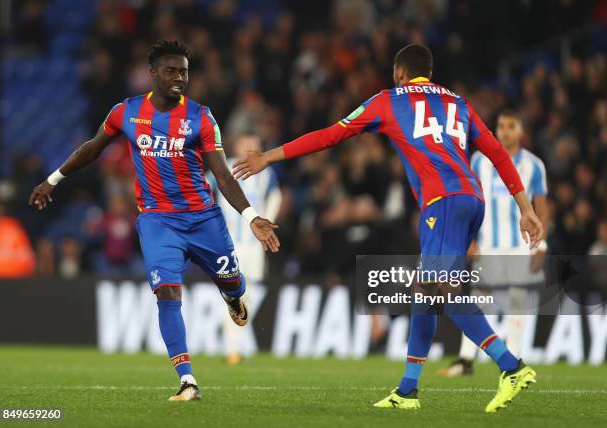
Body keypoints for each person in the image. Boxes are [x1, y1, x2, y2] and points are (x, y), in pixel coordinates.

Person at [232, 44, 543, 413]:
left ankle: (511, 366)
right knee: (425, 292)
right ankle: (408, 390)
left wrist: (270, 155)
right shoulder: (458, 102)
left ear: (399, 73)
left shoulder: (389, 99)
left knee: (439, 290)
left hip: (441, 201)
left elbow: (331, 135)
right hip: (472, 199)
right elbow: (495, 151)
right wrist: (526, 207)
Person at [29, 40, 280, 401]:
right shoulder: (126, 112)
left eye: (185, 72)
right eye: (172, 70)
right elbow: (93, 147)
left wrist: (252, 217)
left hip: (202, 218)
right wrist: (53, 179)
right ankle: (187, 379)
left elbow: (223, 176)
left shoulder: (201, 117)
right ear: (153, 74)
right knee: (166, 290)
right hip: (157, 220)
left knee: (232, 281)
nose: (180, 77)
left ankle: (233, 295)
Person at [438, 110, 549, 377]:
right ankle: (465, 360)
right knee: (477, 300)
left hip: (518, 245)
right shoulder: (479, 162)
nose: (505, 131)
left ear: (521, 131)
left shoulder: (534, 165)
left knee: (517, 300)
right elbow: (470, 200)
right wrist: (469, 239)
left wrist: (541, 245)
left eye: (511, 126)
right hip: (487, 243)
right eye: (501, 126)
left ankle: (513, 361)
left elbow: (541, 208)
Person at [212, 134, 282, 365]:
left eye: (255, 143)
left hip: (254, 246)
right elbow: (201, 189)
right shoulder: (222, 169)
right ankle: (232, 349)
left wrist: (268, 225)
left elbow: (276, 197)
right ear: (236, 144)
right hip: (229, 245)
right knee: (233, 295)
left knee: (248, 297)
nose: (250, 147)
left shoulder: (266, 173)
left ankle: (237, 345)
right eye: (246, 143)